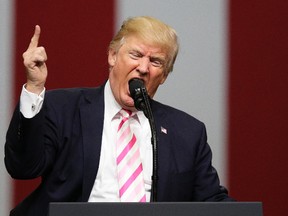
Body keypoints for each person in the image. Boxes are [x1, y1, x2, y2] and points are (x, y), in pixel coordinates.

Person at [5, 16, 234, 216]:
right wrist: (34, 87)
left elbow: (212, 201)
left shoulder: (187, 132)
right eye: (136, 54)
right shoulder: (64, 108)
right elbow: (23, 167)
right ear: (112, 56)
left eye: (155, 62)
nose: (143, 68)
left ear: (163, 76)